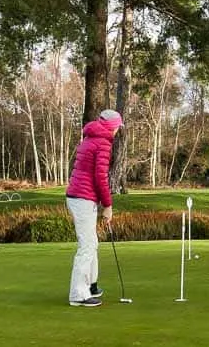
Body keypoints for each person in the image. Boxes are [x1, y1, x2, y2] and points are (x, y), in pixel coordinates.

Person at [65, 109, 123, 307]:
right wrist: (108, 205)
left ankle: (91, 285)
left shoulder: (90, 138)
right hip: (83, 198)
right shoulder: (103, 143)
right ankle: (78, 294)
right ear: (112, 127)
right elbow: (100, 178)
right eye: (117, 128)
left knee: (92, 243)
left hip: (78, 196)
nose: (117, 132)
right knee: (87, 246)